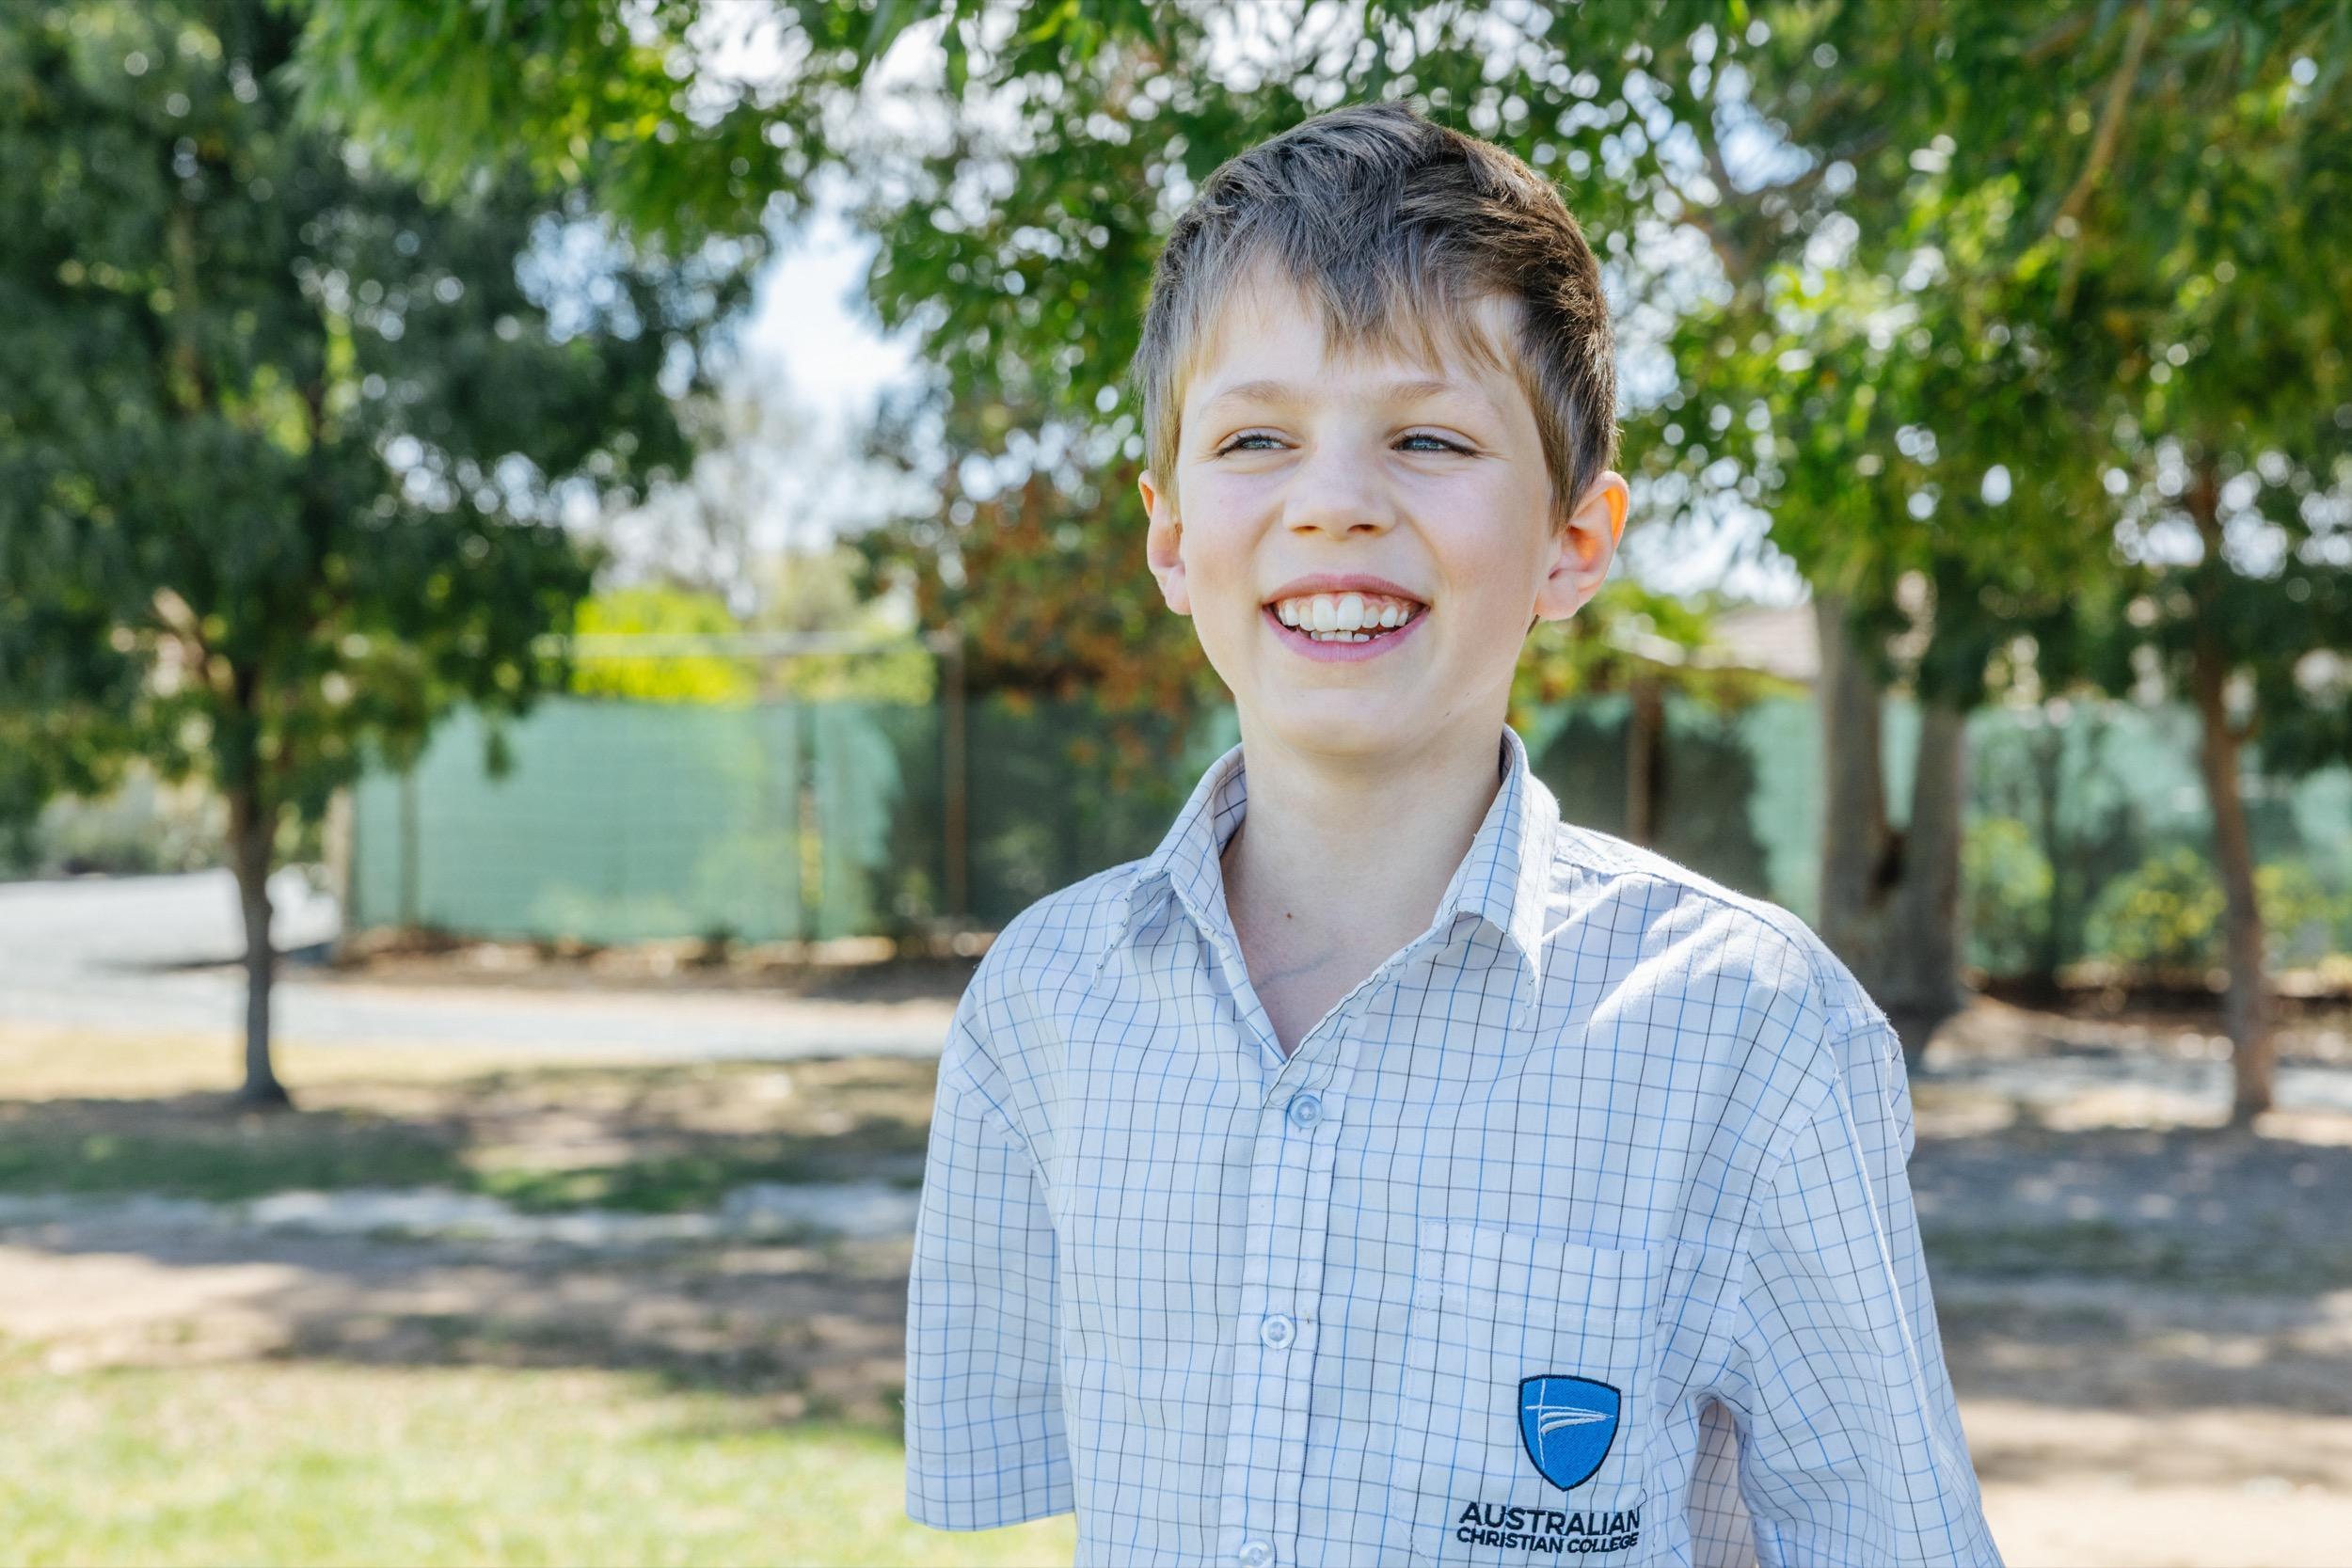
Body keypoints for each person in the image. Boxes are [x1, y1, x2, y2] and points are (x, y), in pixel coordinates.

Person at [903, 100, 2003, 1568]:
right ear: (1169, 534)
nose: (1335, 504)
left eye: (1427, 436)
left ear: (1575, 541)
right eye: (1256, 439)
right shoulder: (1040, 1012)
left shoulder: (1757, 1035)